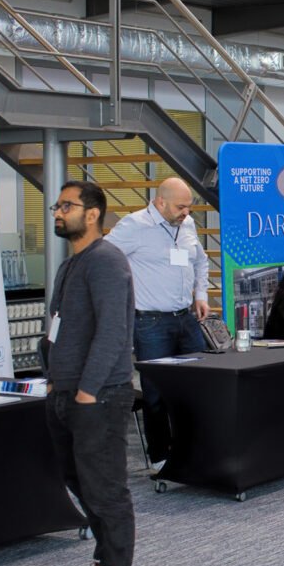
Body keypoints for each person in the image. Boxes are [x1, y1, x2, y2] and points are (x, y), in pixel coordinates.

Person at [44, 180, 137, 566]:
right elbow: (60, 330)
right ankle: (104, 565)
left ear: (93, 214)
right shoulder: (71, 264)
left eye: (67, 205)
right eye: (56, 206)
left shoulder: (106, 261)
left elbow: (113, 331)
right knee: (81, 483)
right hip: (66, 393)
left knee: (106, 490)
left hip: (97, 396)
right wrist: (54, 385)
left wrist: (87, 391)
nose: (58, 212)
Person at [105, 177, 209, 471]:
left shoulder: (186, 225)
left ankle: (197, 447)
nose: (186, 213)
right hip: (150, 322)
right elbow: (103, 259)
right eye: (180, 207)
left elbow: (200, 261)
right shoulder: (133, 226)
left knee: (201, 385)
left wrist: (200, 294)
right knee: (156, 392)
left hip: (186, 318)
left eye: (189, 207)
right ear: (159, 202)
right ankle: (161, 455)